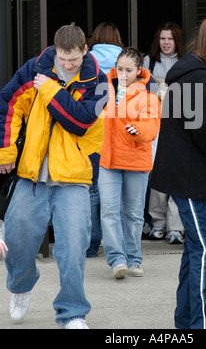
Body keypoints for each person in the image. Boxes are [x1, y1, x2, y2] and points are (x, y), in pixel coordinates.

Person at [0, 23, 107, 329]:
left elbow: (82, 120)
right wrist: (5, 153)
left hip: (74, 178)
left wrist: (48, 89)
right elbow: (6, 106)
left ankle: (72, 313)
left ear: (84, 51)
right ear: (56, 50)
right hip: (30, 175)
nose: (67, 64)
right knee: (17, 241)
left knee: (73, 248)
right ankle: (20, 287)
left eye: (73, 59)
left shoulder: (100, 83)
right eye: (62, 58)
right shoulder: (34, 67)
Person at [150, 18, 206, 329]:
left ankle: (189, 321)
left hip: (191, 177)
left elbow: (198, 127)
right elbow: (202, 131)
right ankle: (205, 322)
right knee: (205, 248)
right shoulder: (200, 78)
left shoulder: (190, 74)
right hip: (195, 179)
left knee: (196, 250)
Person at [99, 47, 161, 279]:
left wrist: (139, 129)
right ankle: (117, 259)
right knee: (109, 211)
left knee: (134, 214)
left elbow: (153, 124)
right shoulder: (104, 86)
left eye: (129, 70)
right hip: (109, 159)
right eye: (120, 68)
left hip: (136, 158)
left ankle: (134, 258)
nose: (124, 73)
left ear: (139, 70)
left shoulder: (149, 91)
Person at [143, 22, 184, 244]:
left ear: (177, 40)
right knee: (158, 173)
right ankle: (157, 222)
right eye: (162, 38)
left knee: (176, 174)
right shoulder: (148, 62)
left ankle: (175, 227)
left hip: (177, 125)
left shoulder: (185, 62)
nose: (166, 43)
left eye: (170, 38)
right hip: (155, 124)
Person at [86, 22, 123, 258]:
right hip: (119, 133)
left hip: (92, 130)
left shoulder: (88, 60)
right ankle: (117, 245)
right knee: (114, 192)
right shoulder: (126, 61)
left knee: (91, 189)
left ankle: (90, 244)